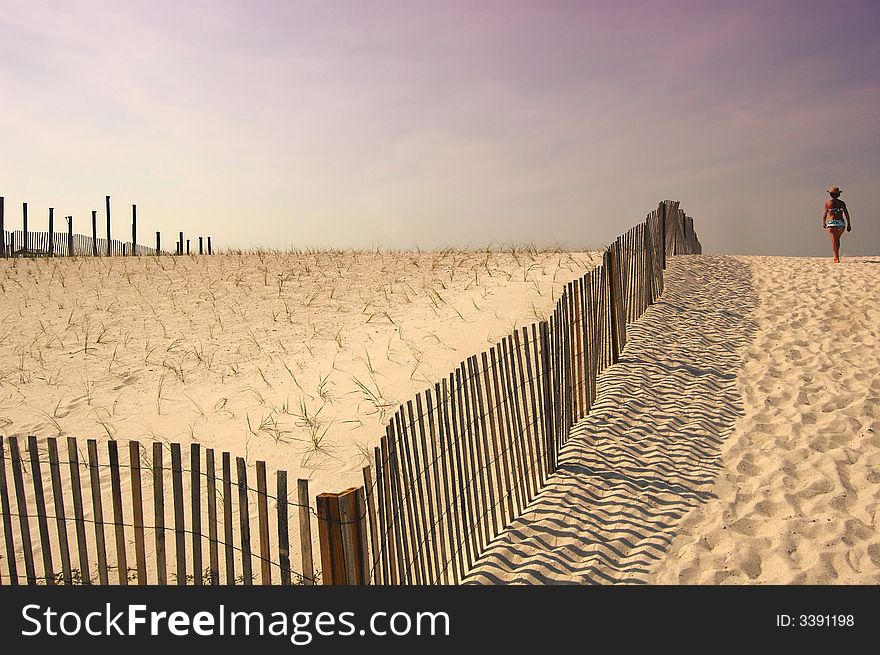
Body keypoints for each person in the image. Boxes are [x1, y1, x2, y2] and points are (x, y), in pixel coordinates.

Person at [822, 186, 851, 263]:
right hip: (841, 223)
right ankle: (836, 256)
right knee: (837, 240)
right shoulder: (842, 203)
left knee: (834, 241)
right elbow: (846, 214)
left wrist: (824, 222)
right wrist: (849, 224)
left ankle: (836, 257)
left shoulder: (828, 203)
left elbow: (825, 214)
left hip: (833, 223)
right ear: (839, 195)